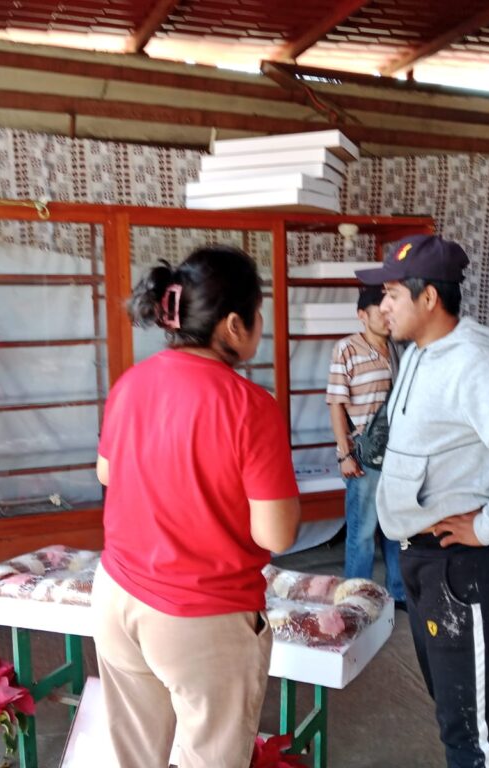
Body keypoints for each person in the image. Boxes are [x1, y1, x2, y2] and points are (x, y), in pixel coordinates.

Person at [92, 245, 301, 768]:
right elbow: (276, 535)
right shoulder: (250, 405)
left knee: (133, 755)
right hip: (201, 614)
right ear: (233, 324)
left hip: (117, 595)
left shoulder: (131, 382)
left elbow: (107, 473)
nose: (259, 326)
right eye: (258, 313)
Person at [356, 234, 489, 768]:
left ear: (428, 298)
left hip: (460, 567)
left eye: (392, 294)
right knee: (454, 709)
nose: (383, 305)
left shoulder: (473, 362)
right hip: (421, 556)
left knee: (467, 728)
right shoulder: (420, 354)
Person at [326, 285, 406, 605]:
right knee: (361, 531)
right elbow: (336, 403)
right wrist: (344, 453)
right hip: (363, 451)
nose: (387, 317)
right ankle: (356, 600)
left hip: (398, 451)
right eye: (380, 312)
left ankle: (398, 592)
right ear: (362, 315)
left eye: (390, 311)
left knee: (396, 527)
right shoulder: (346, 349)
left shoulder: (400, 347)